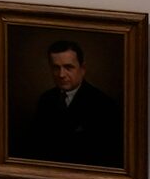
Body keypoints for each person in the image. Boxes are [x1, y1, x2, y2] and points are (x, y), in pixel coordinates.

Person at [14, 38, 123, 168]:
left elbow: (108, 158)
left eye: (68, 67)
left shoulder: (104, 105)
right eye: (56, 68)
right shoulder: (45, 100)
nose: (61, 74)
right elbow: (34, 147)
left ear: (82, 69)